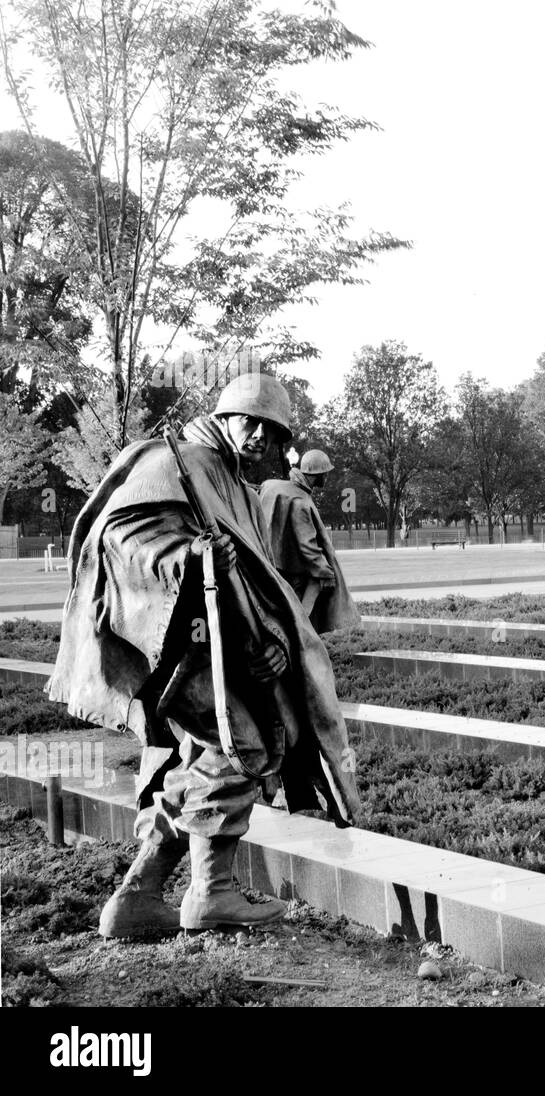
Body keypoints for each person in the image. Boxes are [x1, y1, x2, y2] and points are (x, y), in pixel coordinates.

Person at [48, 372, 362, 939]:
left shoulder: (239, 484)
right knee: (240, 748)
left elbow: (254, 582)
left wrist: (263, 644)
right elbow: (121, 541)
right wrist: (189, 556)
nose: (264, 439)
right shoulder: (172, 461)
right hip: (181, 651)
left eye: (275, 431)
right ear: (225, 415)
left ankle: (137, 897)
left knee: (196, 764)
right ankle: (210, 892)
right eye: (255, 424)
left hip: (225, 651)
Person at [259, 448, 361, 633]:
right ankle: (301, 637)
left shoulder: (273, 486)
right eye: (326, 474)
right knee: (300, 614)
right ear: (319, 474)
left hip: (270, 563)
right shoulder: (300, 501)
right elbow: (307, 546)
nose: (327, 478)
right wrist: (325, 571)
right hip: (292, 571)